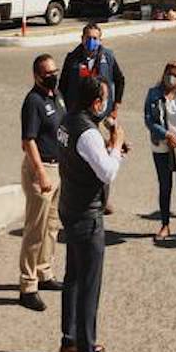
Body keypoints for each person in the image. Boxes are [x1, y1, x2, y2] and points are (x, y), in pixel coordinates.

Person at [56, 71, 128, 352]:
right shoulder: (87, 133)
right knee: (89, 285)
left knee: (73, 277)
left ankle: (70, 341)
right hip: (87, 214)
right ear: (96, 101)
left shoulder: (65, 121)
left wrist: (108, 144)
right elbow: (108, 172)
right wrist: (116, 145)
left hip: (70, 206)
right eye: (104, 97)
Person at [60, 22, 125, 214]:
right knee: (84, 157)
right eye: (88, 38)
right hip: (80, 116)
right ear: (82, 39)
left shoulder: (108, 57)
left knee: (104, 156)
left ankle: (103, 199)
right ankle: (83, 194)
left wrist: (115, 107)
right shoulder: (72, 59)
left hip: (102, 115)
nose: (92, 41)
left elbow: (120, 80)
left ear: (100, 40)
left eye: (95, 38)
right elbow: (62, 86)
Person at [18, 53, 63, 311]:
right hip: (41, 170)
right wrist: (41, 173)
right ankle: (27, 285)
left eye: (54, 71)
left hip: (59, 169)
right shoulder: (32, 101)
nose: (53, 76)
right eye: (48, 73)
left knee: (51, 226)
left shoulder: (56, 96)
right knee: (35, 230)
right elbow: (28, 140)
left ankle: (45, 272)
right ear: (36, 75)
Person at [143, 59, 176, 242]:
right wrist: (166, 135)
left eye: (175, 75)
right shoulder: (153, 94)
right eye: (168, 74)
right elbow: (149, 120)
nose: (171, 78)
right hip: (161, 146)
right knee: (165, 186)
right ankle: (165, 224)